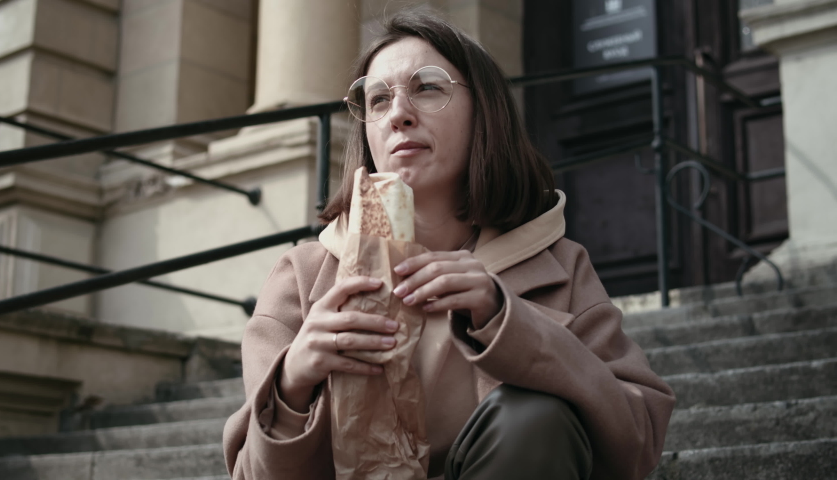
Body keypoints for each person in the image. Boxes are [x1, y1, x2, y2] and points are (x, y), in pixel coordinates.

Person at [223, 9, 675, 480]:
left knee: (534, 414)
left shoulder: (560, 264)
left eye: (428, 87)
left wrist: (507, 321)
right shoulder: (302, 275)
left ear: (485, 112)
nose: (398, 114)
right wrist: (292, 384)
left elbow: (638, 439)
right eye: (377, 100)